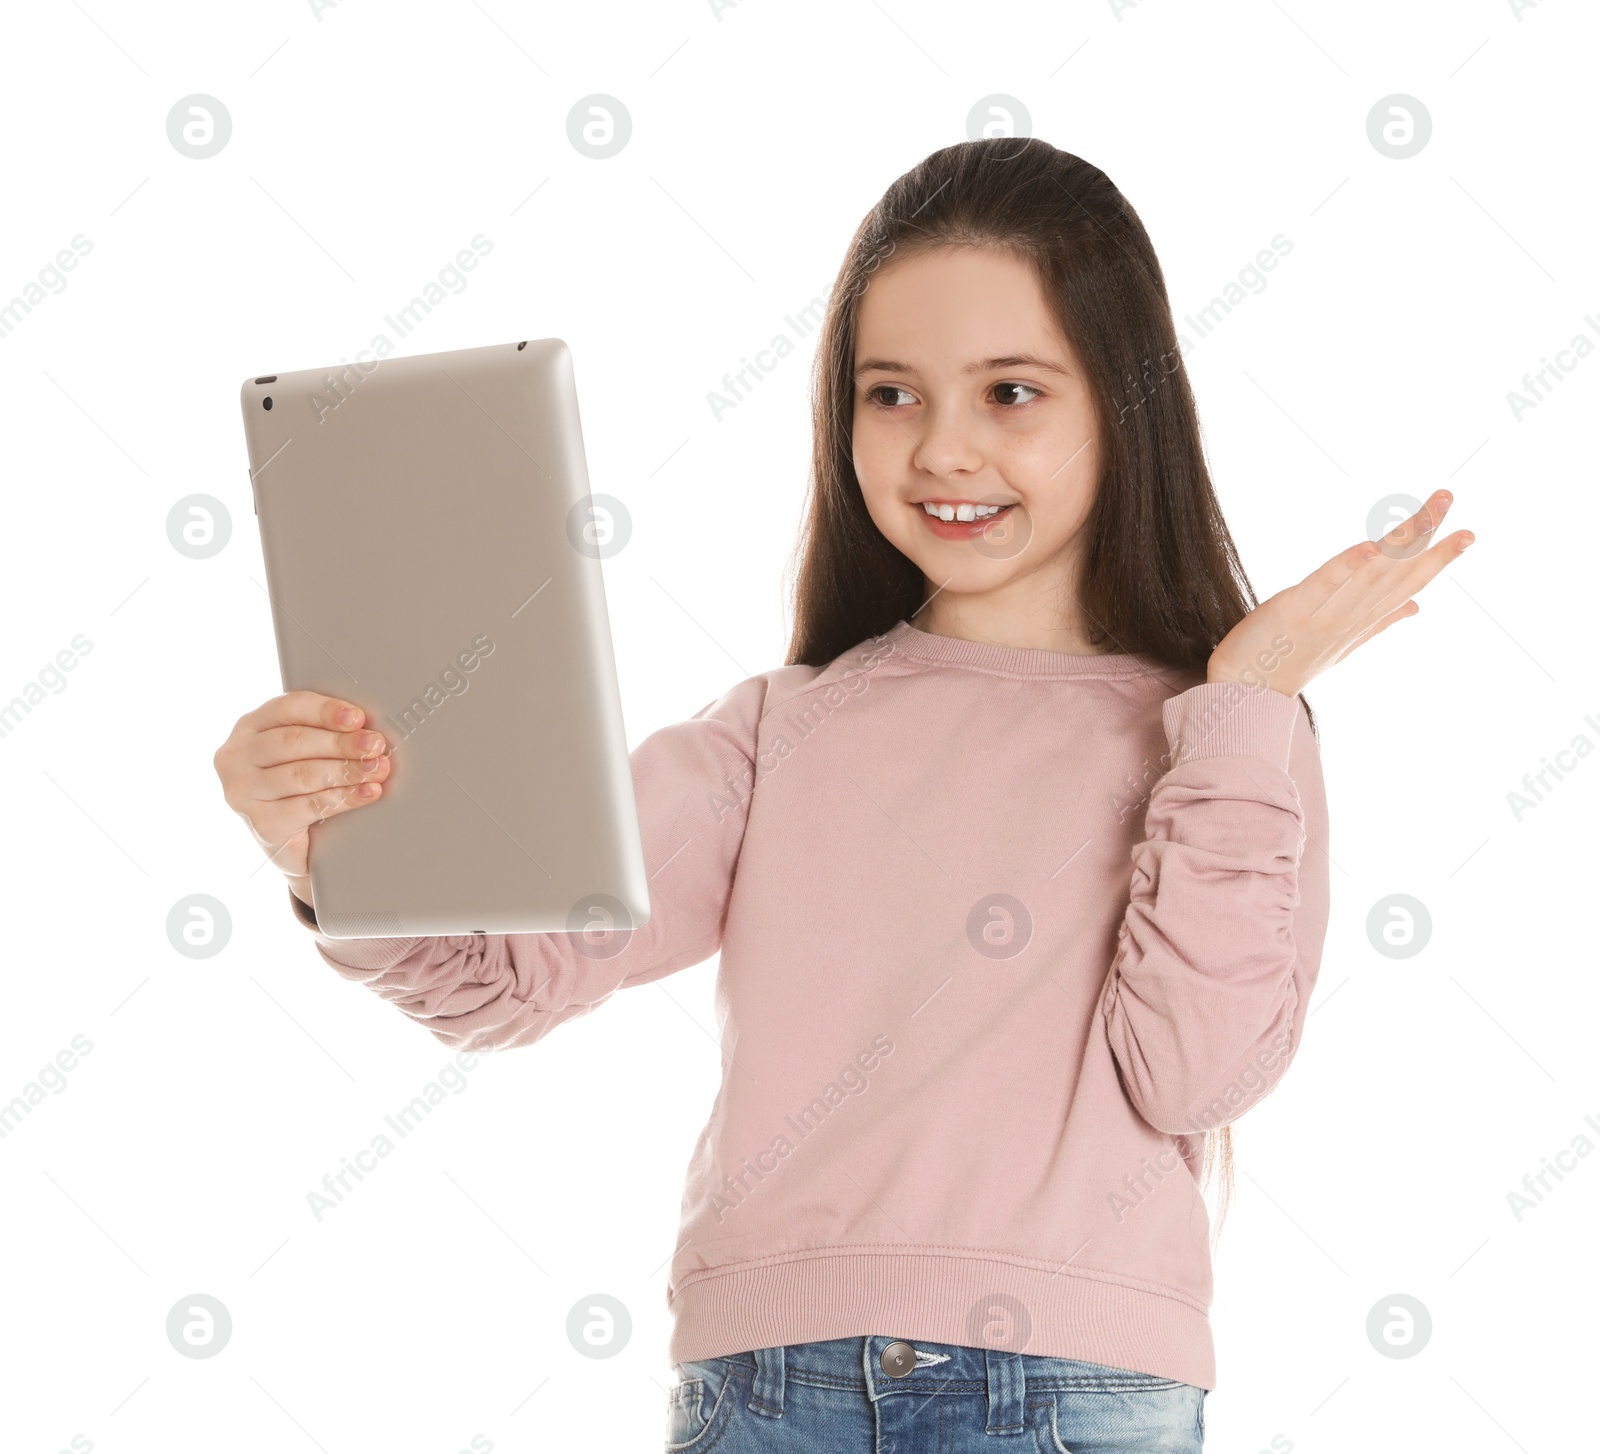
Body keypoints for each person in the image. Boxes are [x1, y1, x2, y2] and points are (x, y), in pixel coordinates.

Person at [214, 137, 1472, 1452]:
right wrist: (332, 852)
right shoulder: (781, 731)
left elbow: (1196, 1071)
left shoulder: (1222, 743)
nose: (943, 449)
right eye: (892, 393)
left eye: (1011, 392)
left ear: (1123, 403)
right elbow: (510, 975)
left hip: (1070, 1392)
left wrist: (1249, 695)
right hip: (769, 1389)